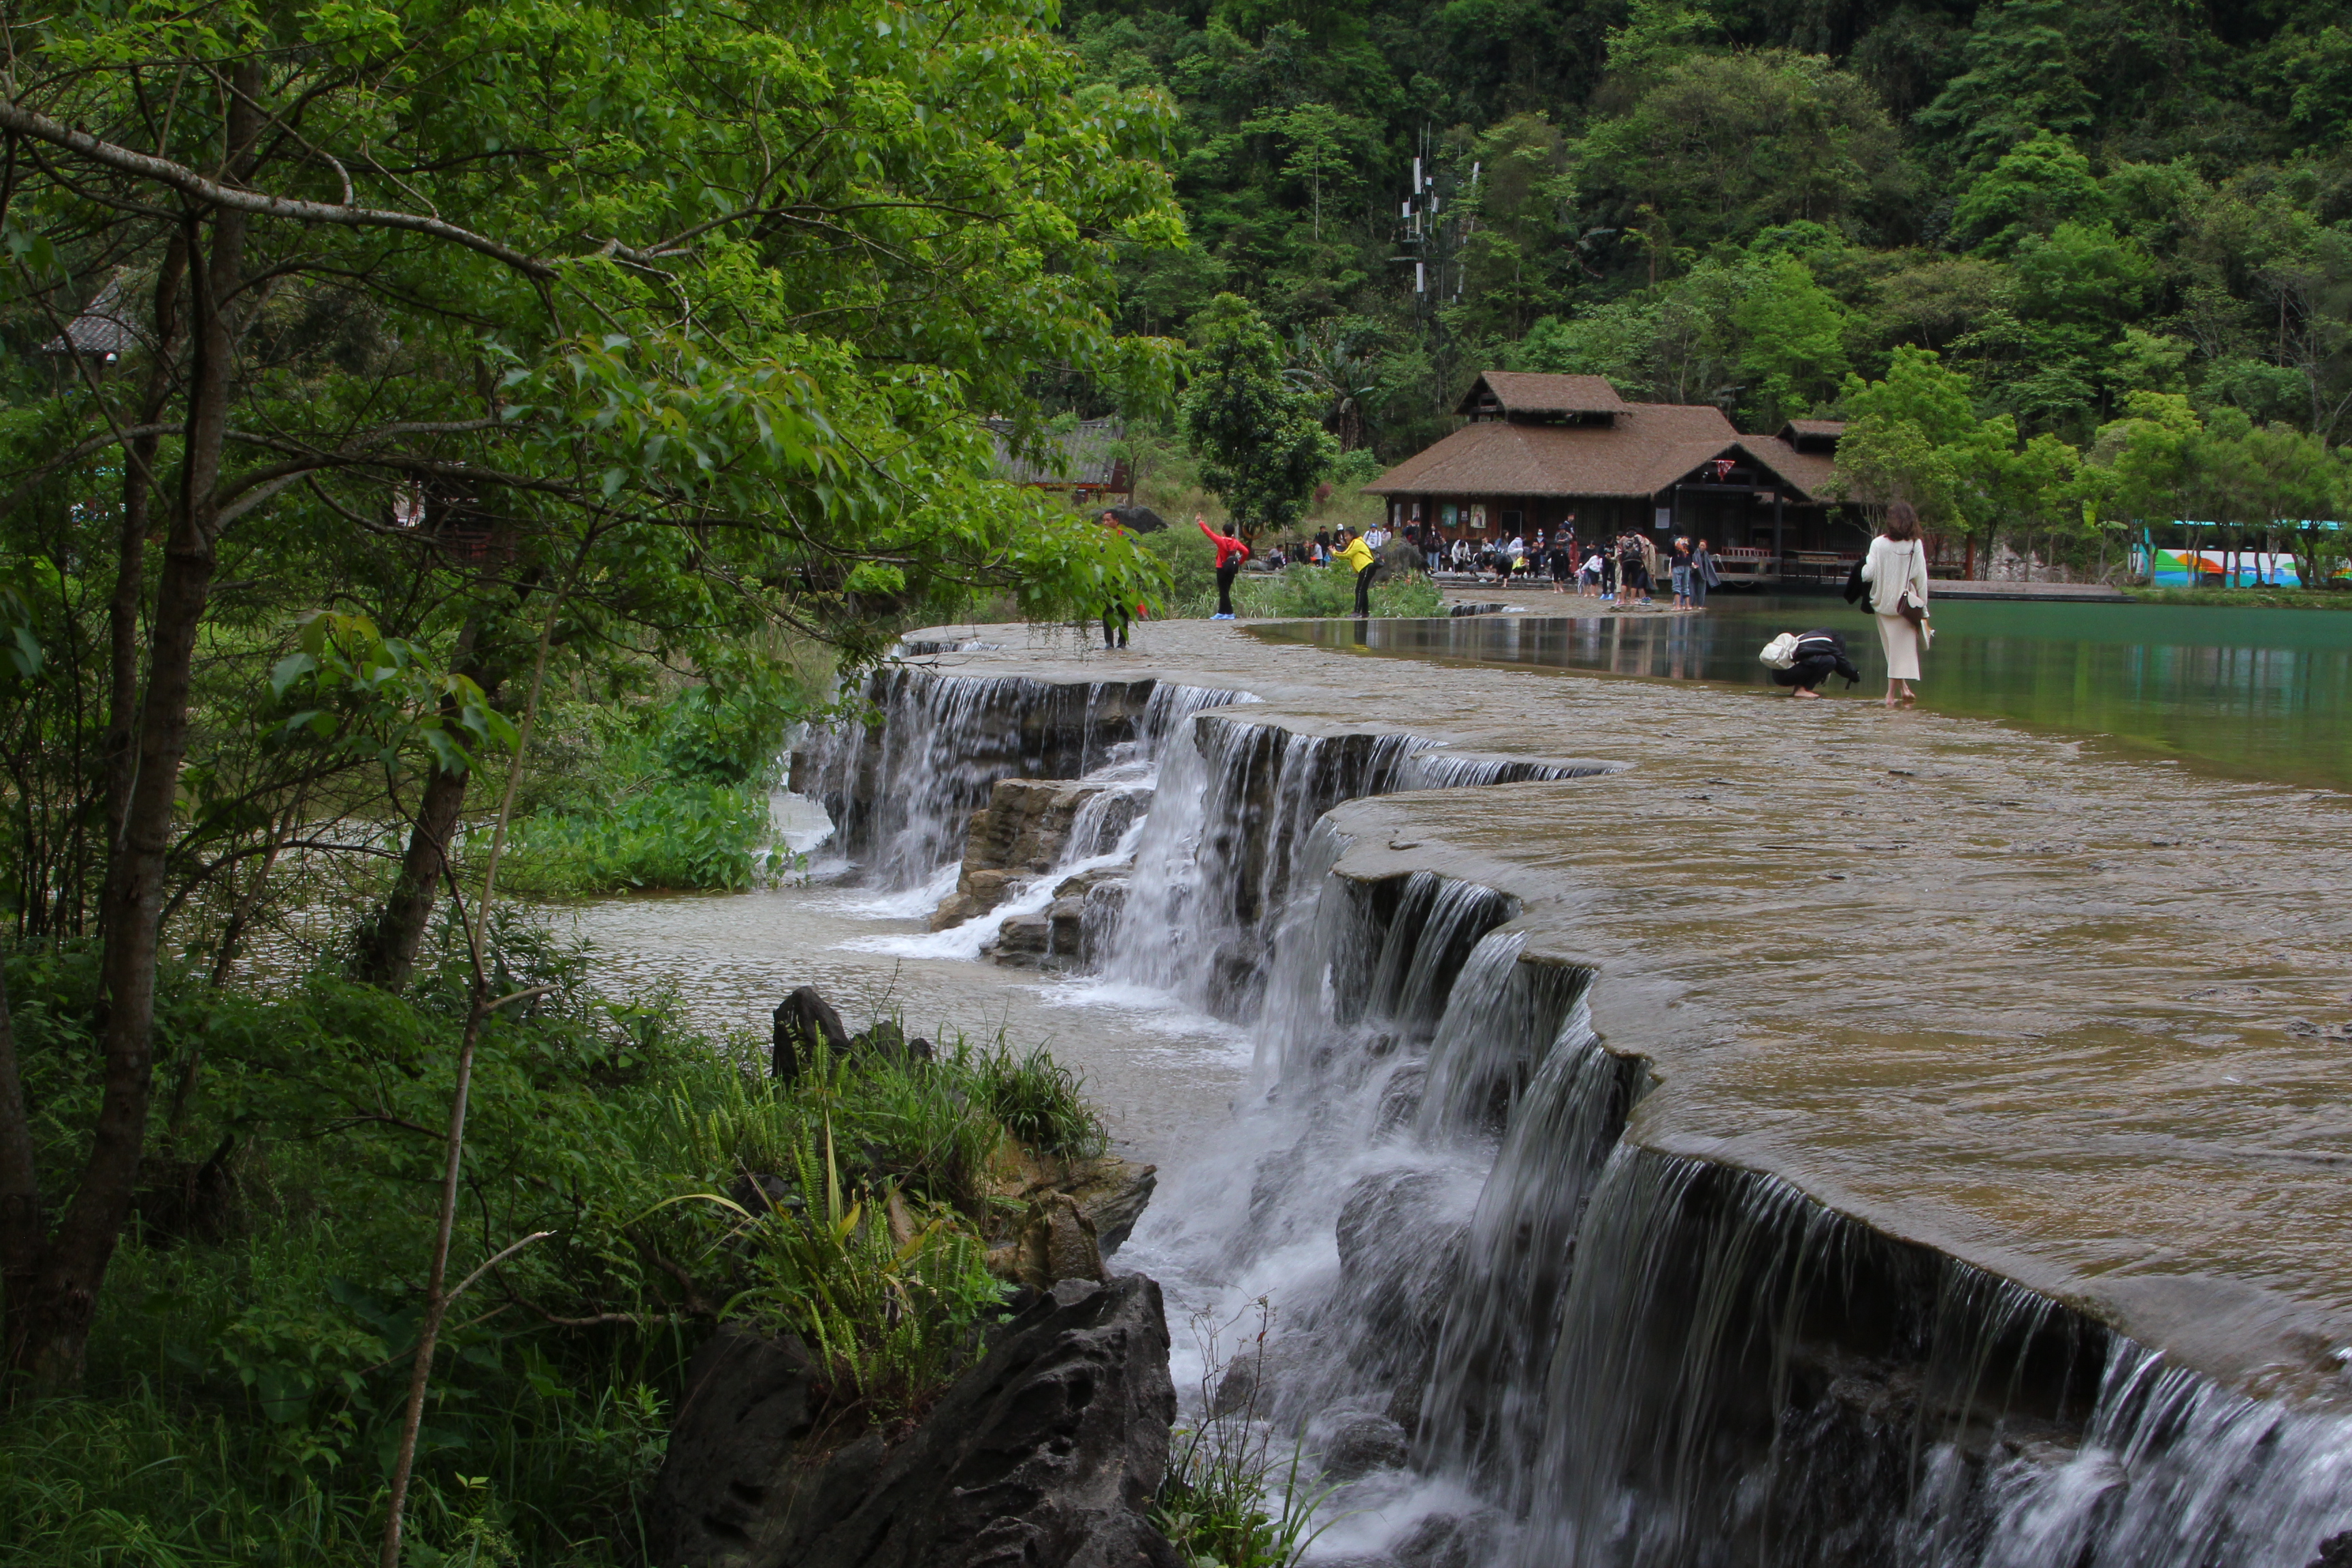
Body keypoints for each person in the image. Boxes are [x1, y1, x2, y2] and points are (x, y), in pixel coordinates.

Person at [1861, 500, 1931, 706]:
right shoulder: (1915, 545)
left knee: (1892, 649)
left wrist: (1865, 563)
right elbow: (1921, 579)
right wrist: (1923, 607)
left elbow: (1867, 575)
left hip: (1883, 603)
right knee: (1899, 651)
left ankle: (1903, 690)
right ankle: (1891, 696)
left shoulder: (1878, 543)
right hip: (1905, 605)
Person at [1767, 629, 1863, 698]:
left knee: (1815, 661)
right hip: (1785, 675)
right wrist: (1855, 675)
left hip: (1778, 674)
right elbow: (1841, 663)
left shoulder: (1809, 637)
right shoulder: (1827, 641)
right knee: (1830, 661)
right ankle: (1803, 690)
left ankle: (1798, 689)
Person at [1198, 514, 1250, 620]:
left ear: (1223, 531)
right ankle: (1221, 612)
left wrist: (1200, 522)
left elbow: (1209, 533)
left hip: (1221, 567)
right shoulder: (1235, 542)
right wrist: (1240, 562)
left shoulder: (1221, 541)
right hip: (1232, 568)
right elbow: (1246, 551)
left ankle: (1230, 613)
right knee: (1225, 590)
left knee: (1223, 591)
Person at [1334, 524, 1377, 614]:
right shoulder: (1355, 543)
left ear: (1352, 535)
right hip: (1367, 567)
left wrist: (1334, 552)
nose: (1345, 538)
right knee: (1363, 589)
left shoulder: (1356, 542)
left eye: (1347, 535)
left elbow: (1345, 555)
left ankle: (1357, 612)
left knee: (1359, 589)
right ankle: (1365, 612)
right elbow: (1350, 552)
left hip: (1366, 566)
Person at [1690, 538, 1718, 608]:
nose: (1702, 547)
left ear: (1706, 547)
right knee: (1692, 591)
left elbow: (1709, 564)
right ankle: (1691, 605)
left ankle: (1700, 605)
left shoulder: (1706, 555)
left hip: (1702, 575)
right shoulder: (1694, 553)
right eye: (1701, 545)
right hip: (1693, 574)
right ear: (1698, 546)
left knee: (1701, 592)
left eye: (1703, 546)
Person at [1669, 536, 1695, 610]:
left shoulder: (1672, 540)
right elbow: (1693, 550)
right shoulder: (1688, 539)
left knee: (1676, 585)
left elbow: (1669, 553)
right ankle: (1687, 606)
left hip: (1677, 564)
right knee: (1685, 585)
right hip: (1687, 564)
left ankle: (1677, 606)